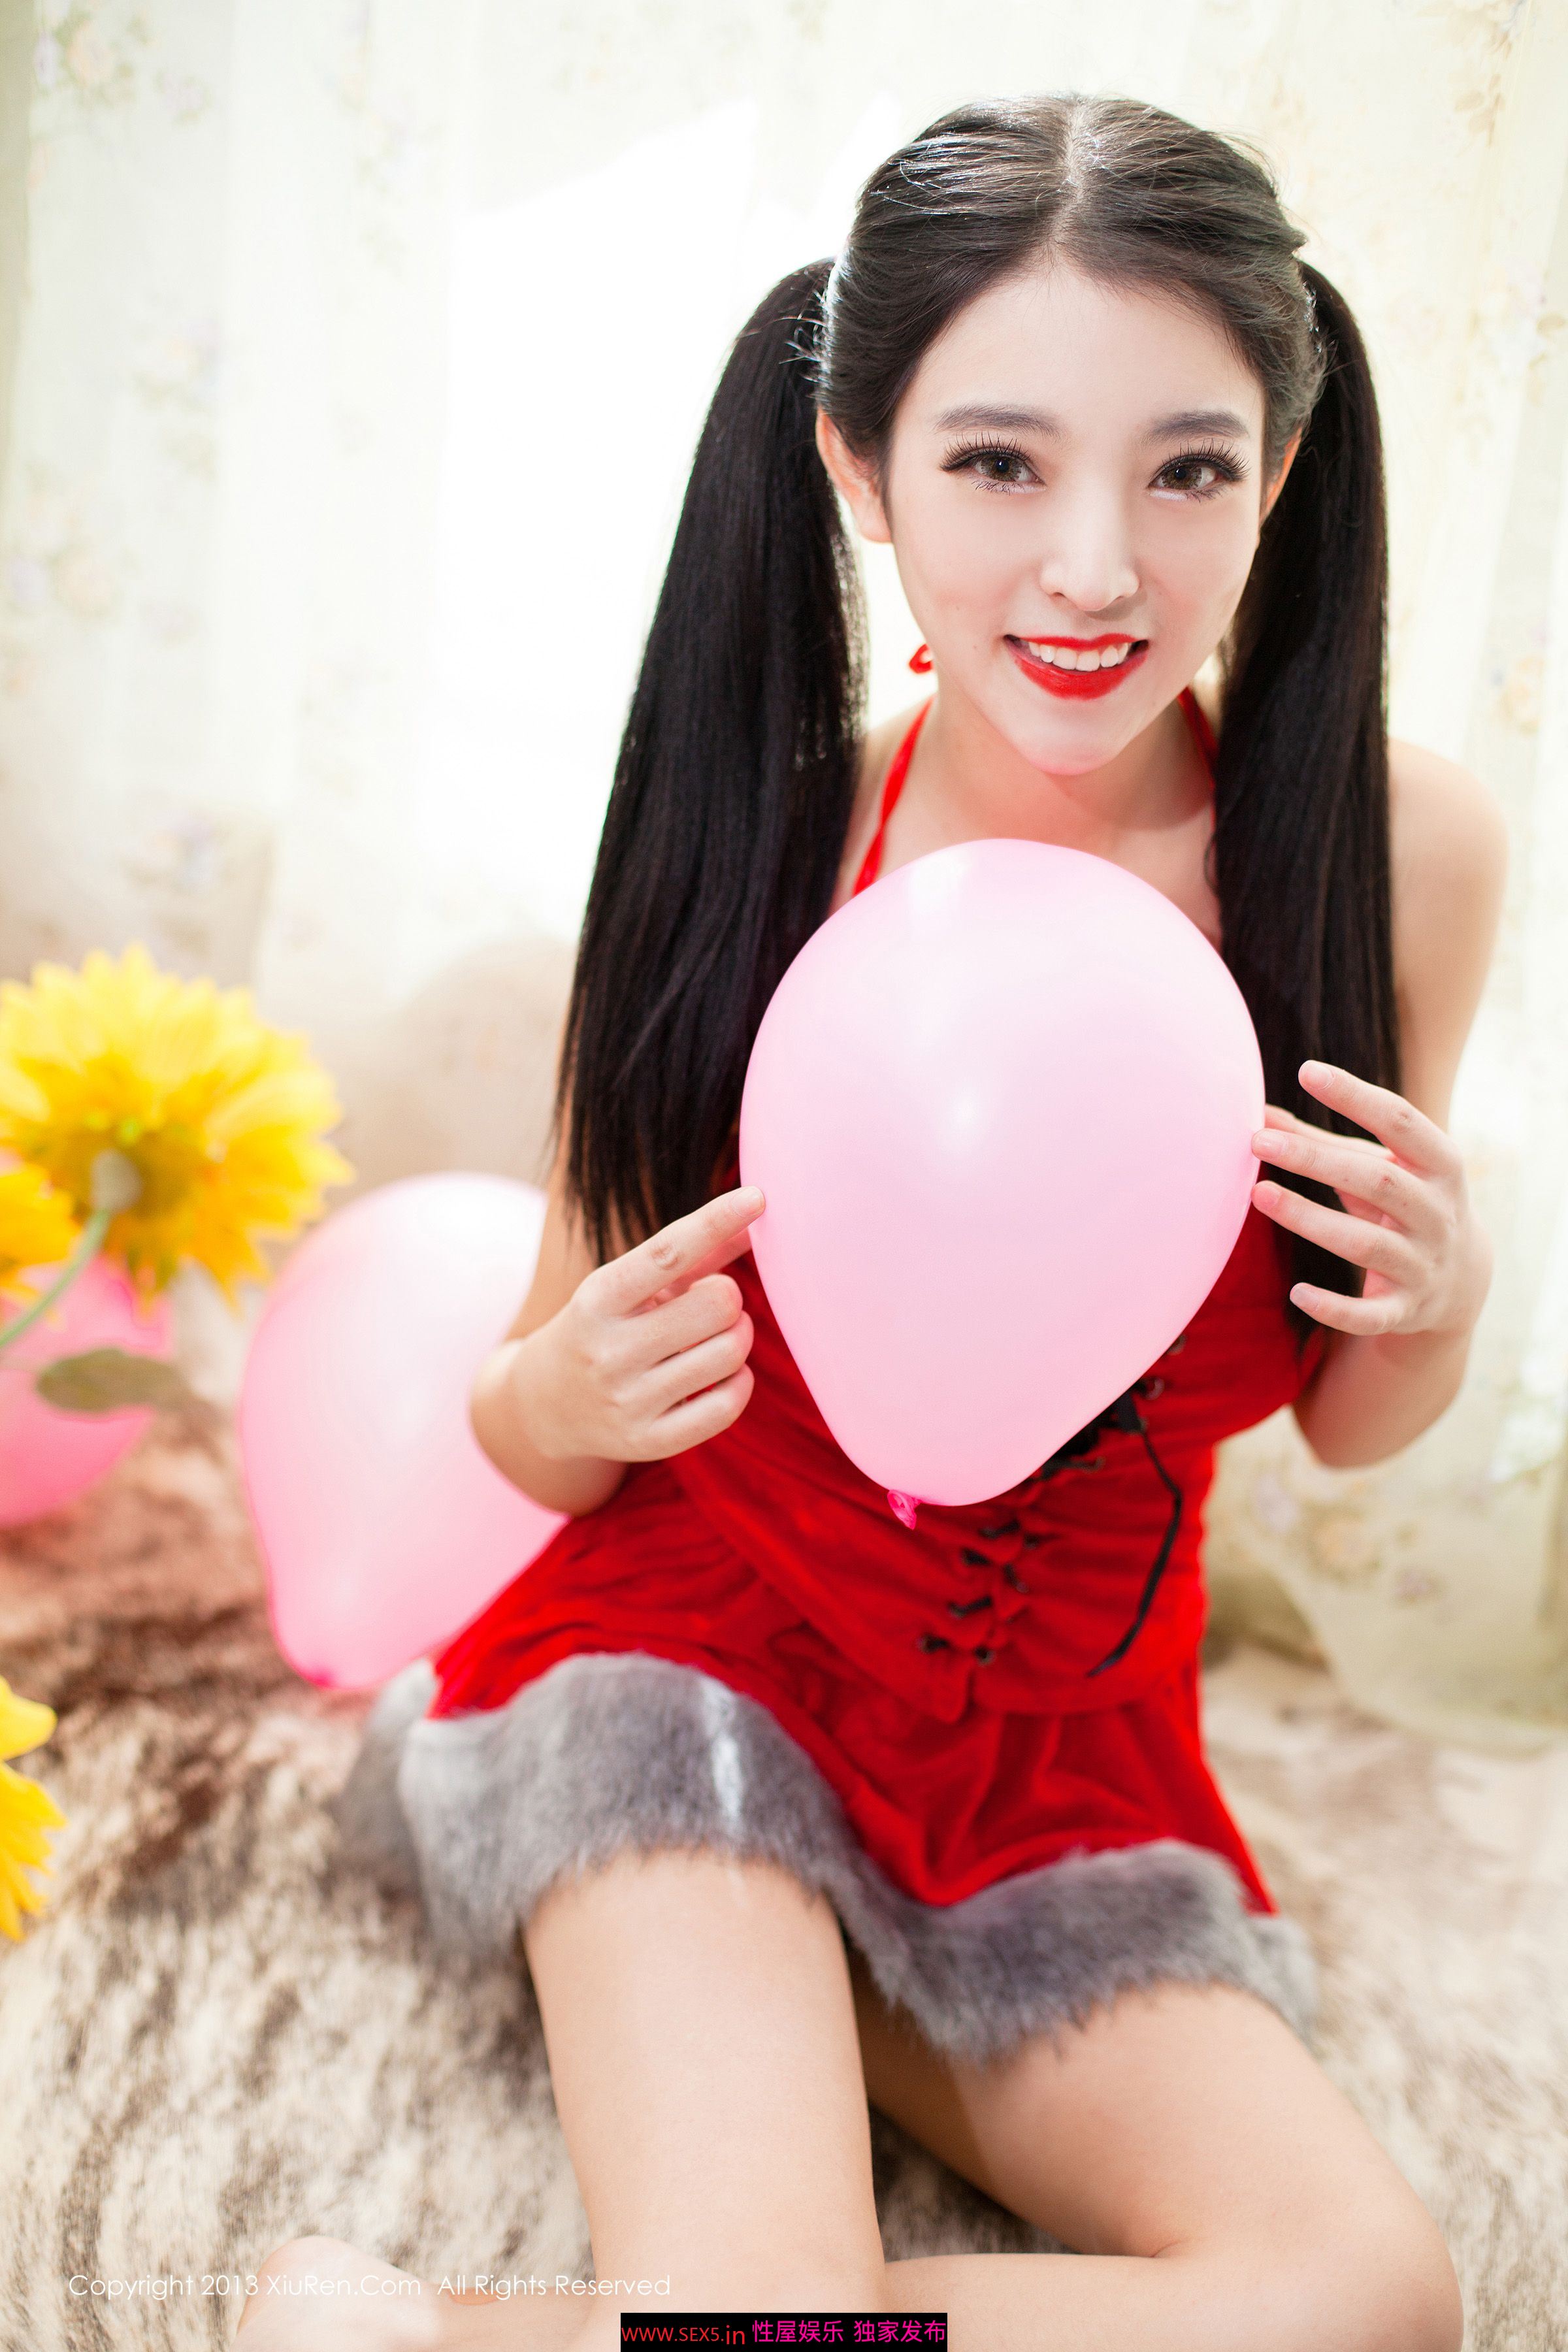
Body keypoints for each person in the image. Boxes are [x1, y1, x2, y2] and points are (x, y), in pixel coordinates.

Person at [244, 93, 1505, 2352]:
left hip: (1071, 1757)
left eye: (1189, 470)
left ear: (1284, 473)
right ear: (859, 464)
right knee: (760, 2292)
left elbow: (1342, 1420)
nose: (1094, 566)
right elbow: (530, 1423)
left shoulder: (1392, 852)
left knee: (1365, 2298)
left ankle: (443, 2340)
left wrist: (1439, 1301)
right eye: (1000, 463)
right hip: (695, 1670)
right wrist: (576, 1384)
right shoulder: (760, 838)